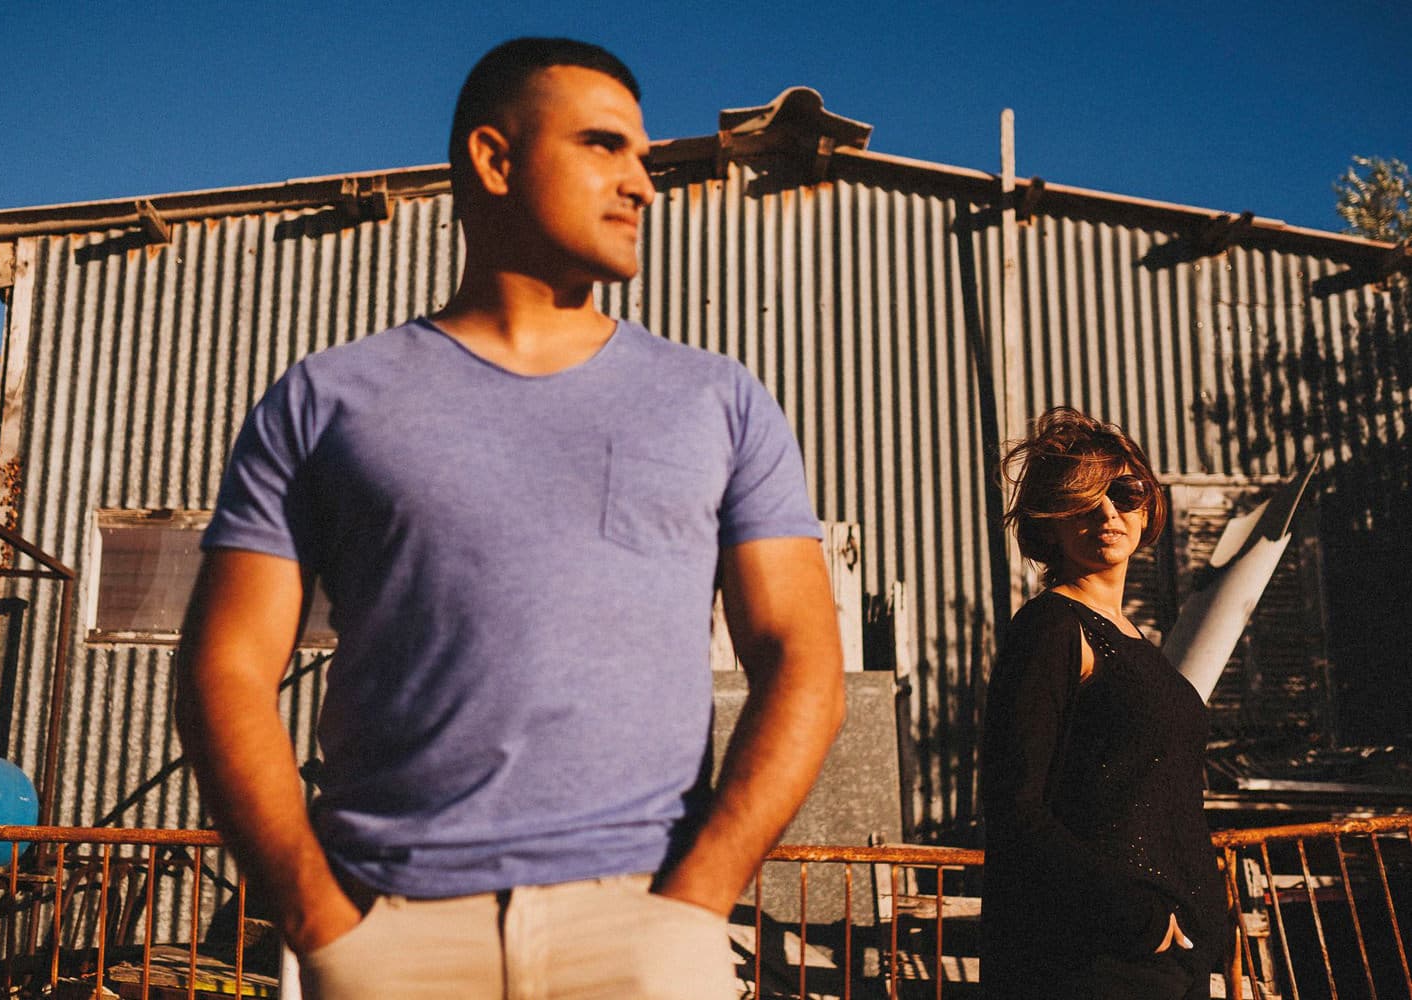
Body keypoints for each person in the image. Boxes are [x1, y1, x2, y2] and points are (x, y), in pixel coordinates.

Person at [172, 37, 845, 1000]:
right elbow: (228, 665)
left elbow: (802, 657)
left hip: (643, 931)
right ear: (494, 159)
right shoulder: (327, 400)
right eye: (604, 146)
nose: (642, 184)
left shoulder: (718, 400)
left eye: (643, 157)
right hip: (393, 940)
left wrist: (700, 898)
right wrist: (321, 919)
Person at [979, 407, 1228, 1000]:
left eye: (1125, 492)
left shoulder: (1136, 639)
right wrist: (1137, 918)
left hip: (1173, 958)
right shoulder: (1051, 628)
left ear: (1148, 506)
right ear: (1050, 522)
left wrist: (1201, 923)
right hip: (1098, 959)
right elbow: (1015, 808)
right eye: (1083, 499)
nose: (1108, 513)